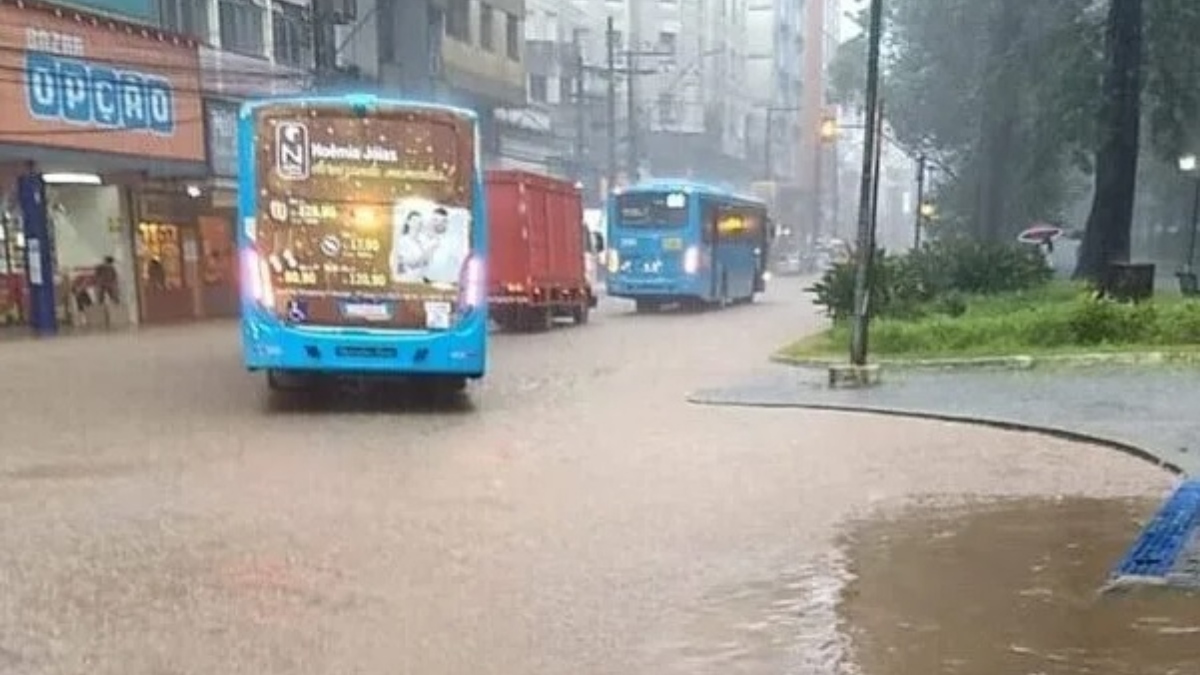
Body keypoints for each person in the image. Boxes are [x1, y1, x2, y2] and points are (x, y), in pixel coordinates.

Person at [422, 207, 467, 286]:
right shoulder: (424, 239)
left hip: (450, 283)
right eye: (436, 220)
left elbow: (460, 261)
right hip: (428, 281)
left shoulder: (454, 240)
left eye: (443, 221)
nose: (439, 223)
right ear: (431, 221)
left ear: (446, 222)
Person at [391, 210, 431, 283]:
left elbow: (426, 262)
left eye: (420, 222)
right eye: (414, 221)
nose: (417, 224)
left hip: (421, 281)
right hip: (407, 281)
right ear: (408, 222)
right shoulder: (402, 241)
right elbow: (409, 262)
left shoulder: (422, 242)